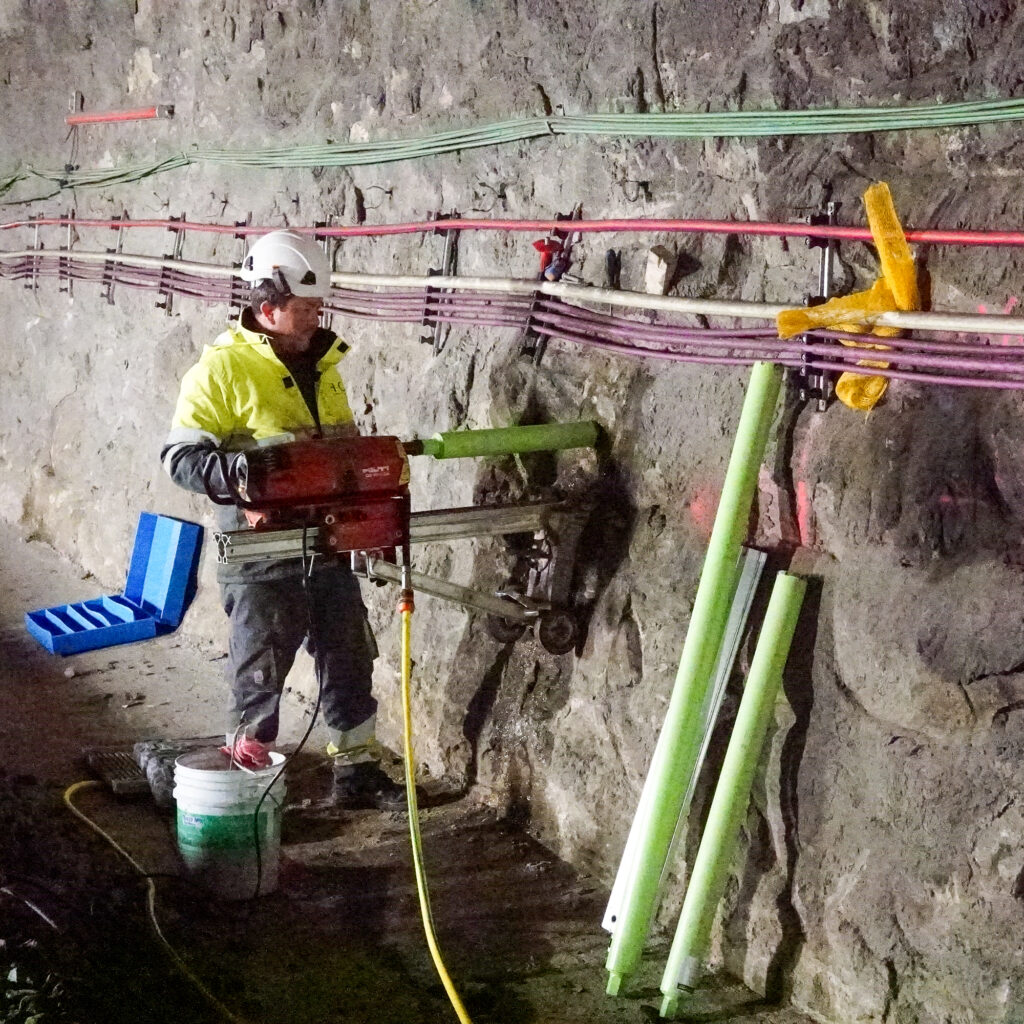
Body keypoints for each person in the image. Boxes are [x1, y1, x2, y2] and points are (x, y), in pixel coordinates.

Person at [160, 229, 405, 810]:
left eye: (319, 305)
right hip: (260, 553)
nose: (316, 316)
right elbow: (180, 458)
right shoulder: (220, 371)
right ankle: (249, 794)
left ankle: (357, 773)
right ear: (267, 306)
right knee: (259, 676)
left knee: (348, 658)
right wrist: (244, 476)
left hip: (328, 546)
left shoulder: (323, 366)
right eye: (304, 307)